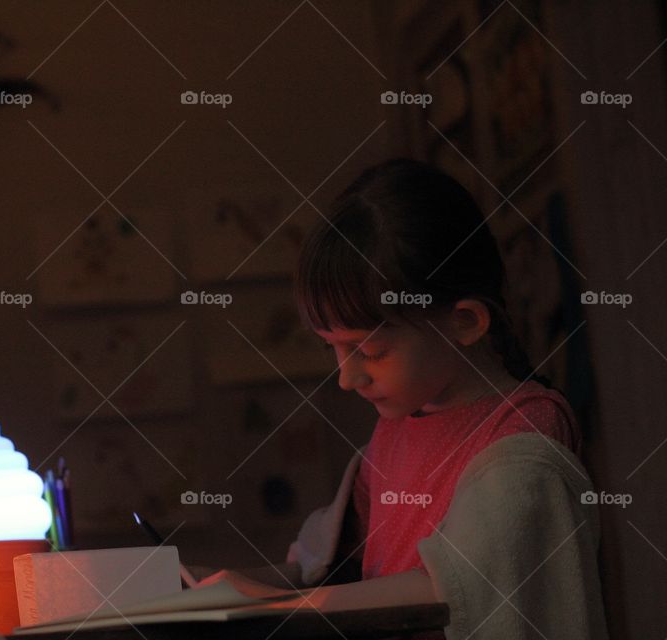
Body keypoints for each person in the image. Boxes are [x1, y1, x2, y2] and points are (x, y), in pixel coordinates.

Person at [196, 159, 607, 640]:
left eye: (370, 350)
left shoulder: (520, 449)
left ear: (465, 322)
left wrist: (282, 604)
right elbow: (332, 562)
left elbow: (457, 591)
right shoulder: (402, 423)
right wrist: (225, 590)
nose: (346, 377)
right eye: (332, 347)